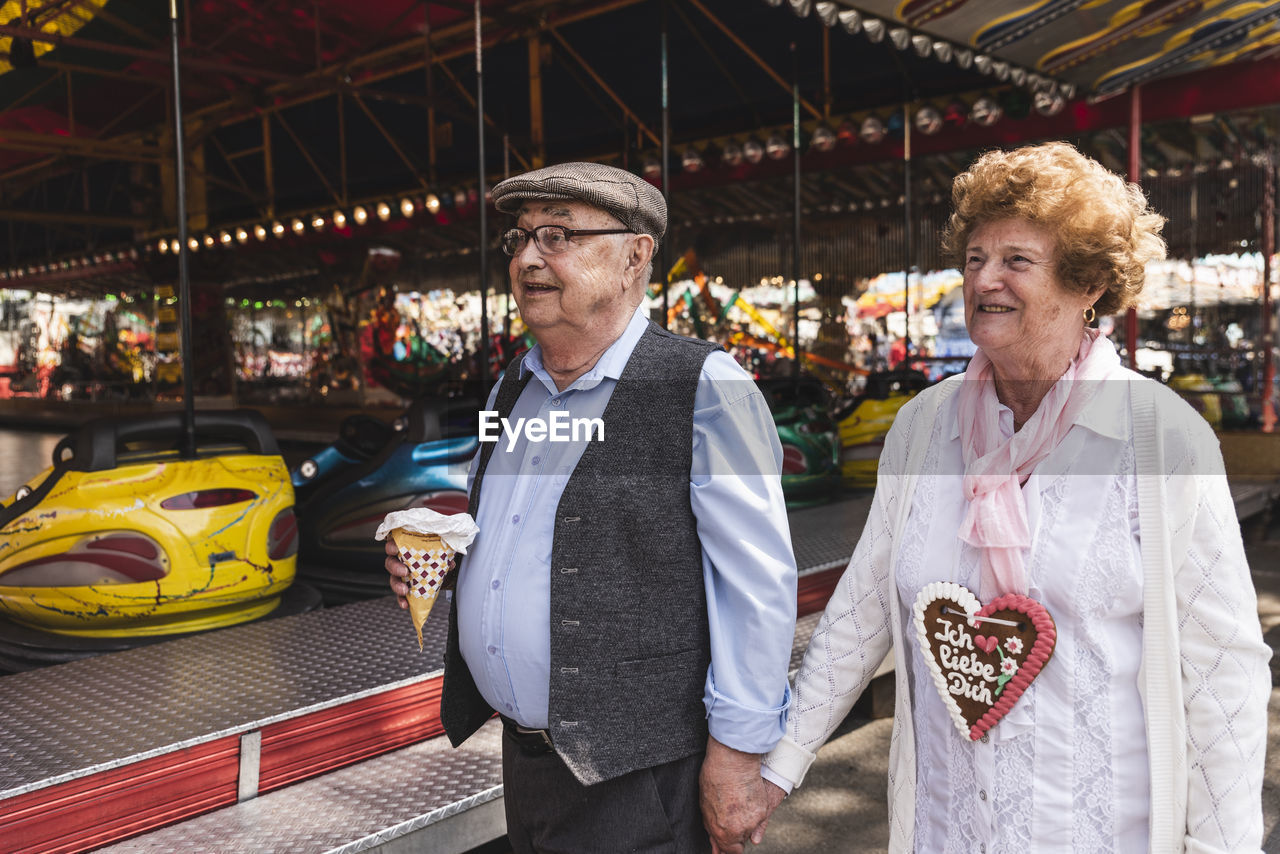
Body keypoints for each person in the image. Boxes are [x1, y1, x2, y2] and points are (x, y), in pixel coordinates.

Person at [757, 142, 1272, 852]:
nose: (983, 279)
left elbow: (1223, 675)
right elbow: (862, 607)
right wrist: (776, 769)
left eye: (1015, 262)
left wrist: (1223, 848)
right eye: (973, 259)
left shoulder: (1161, 438)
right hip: (948, 830)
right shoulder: (922, 428)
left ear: (1087, 282)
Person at [384, 162, 797, 853]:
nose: (527, 258)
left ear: (636, 255)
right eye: (519, 238)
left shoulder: (704, 388)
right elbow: (529, 534)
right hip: (528, 765)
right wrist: (448, 559)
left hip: (639, 779)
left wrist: (738, 758)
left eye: (559, 235)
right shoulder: (512, 388)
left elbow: (756, 591)